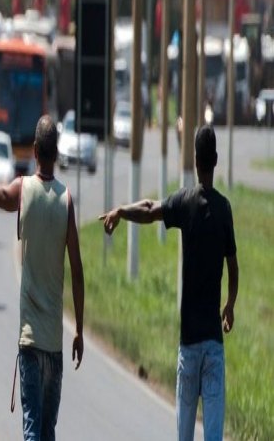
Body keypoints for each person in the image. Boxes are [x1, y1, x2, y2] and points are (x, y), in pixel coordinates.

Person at [99, 124, 239, 441]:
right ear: (215, 160)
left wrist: (121, 211)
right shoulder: (224, 209)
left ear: (195, 159)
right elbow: (233, 265)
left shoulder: (184, 202)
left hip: (189, 344)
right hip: (214, 345)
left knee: (184, 434)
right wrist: (229, 305)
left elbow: (149, 210)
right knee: (214, 435)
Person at [0, 115, 85, 440]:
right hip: (54, 343)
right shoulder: (66, 201)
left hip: (29, 340)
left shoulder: (24, 191)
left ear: (35, 150)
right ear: (56, 152)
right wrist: (78, 330)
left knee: (31, 429)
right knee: (47, 431)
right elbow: (78, 271)